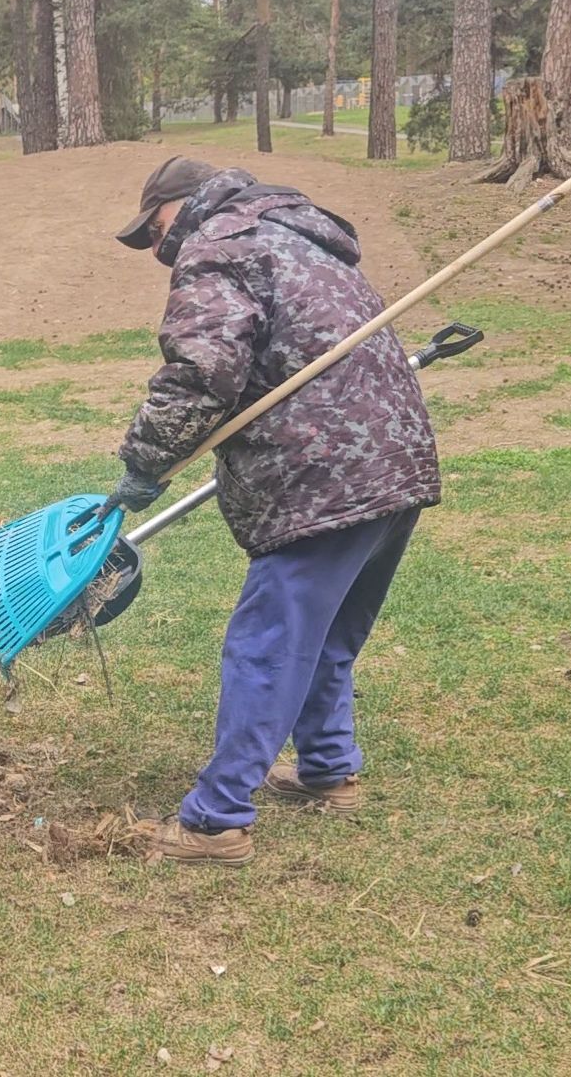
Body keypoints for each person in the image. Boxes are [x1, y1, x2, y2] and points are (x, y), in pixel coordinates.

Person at [105, 156, 442, 865]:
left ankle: (217, 819)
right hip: (395, 453)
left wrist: (146, 459)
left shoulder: (217, 246)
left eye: (156, 227)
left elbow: (203, 371)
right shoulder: (302, 237)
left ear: (183, 206)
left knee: (268, 642)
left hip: (324, 468)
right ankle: (328, 769)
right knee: (325, 634)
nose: (158, 246)